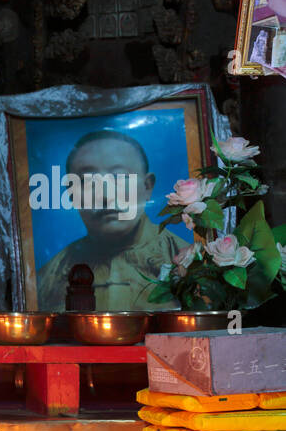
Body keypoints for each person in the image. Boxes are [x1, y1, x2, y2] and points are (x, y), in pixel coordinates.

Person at [35, 129, 189, 310]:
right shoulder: (47, 279)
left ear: (147, 187)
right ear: (71, 193)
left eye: (120, 177)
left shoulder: (187, 261)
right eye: (88, 181)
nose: (106, 196)